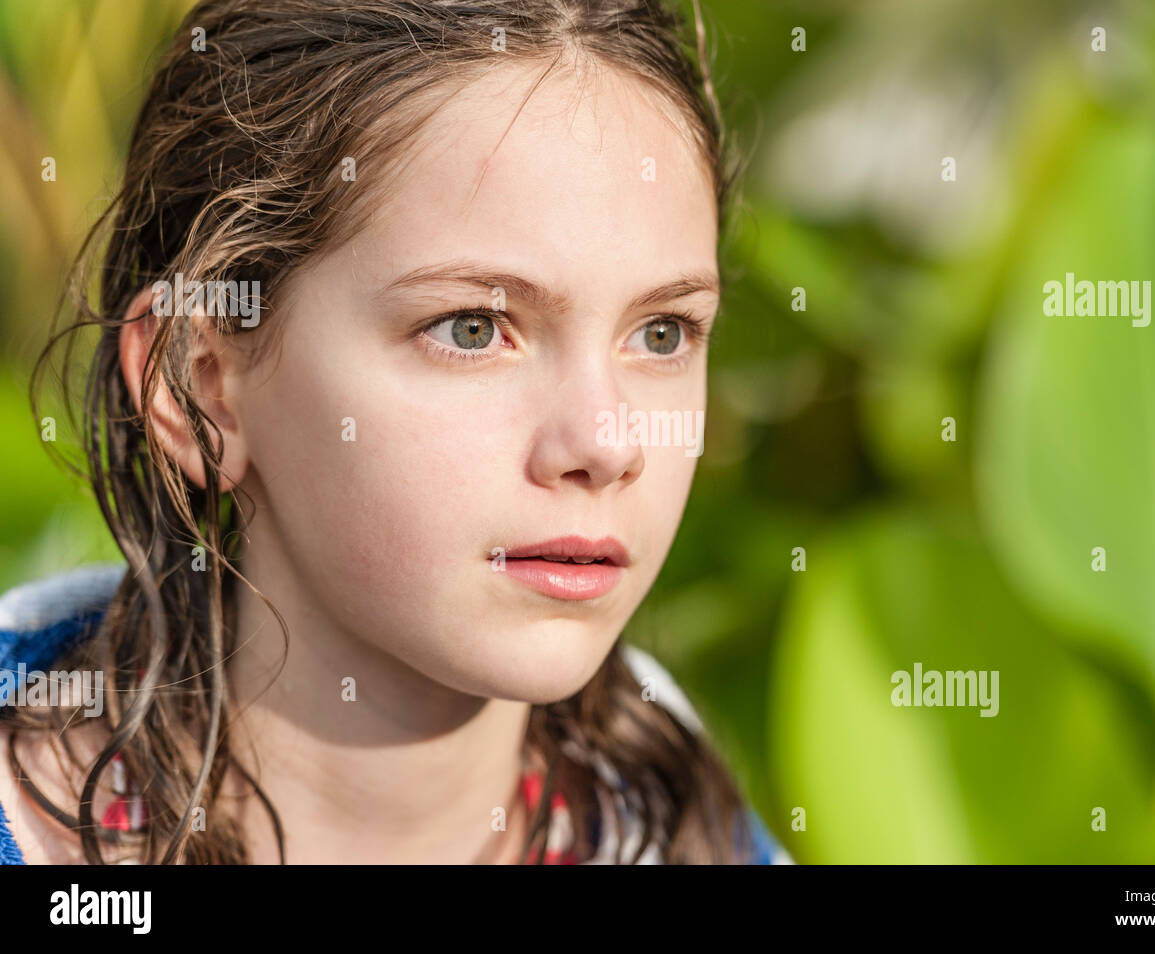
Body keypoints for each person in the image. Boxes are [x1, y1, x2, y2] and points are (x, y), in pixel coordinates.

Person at [0, 0, 793, 865]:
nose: (608, 446)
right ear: (204, 387)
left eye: (663, 333)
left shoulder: (699, 836)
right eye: (472, 329)